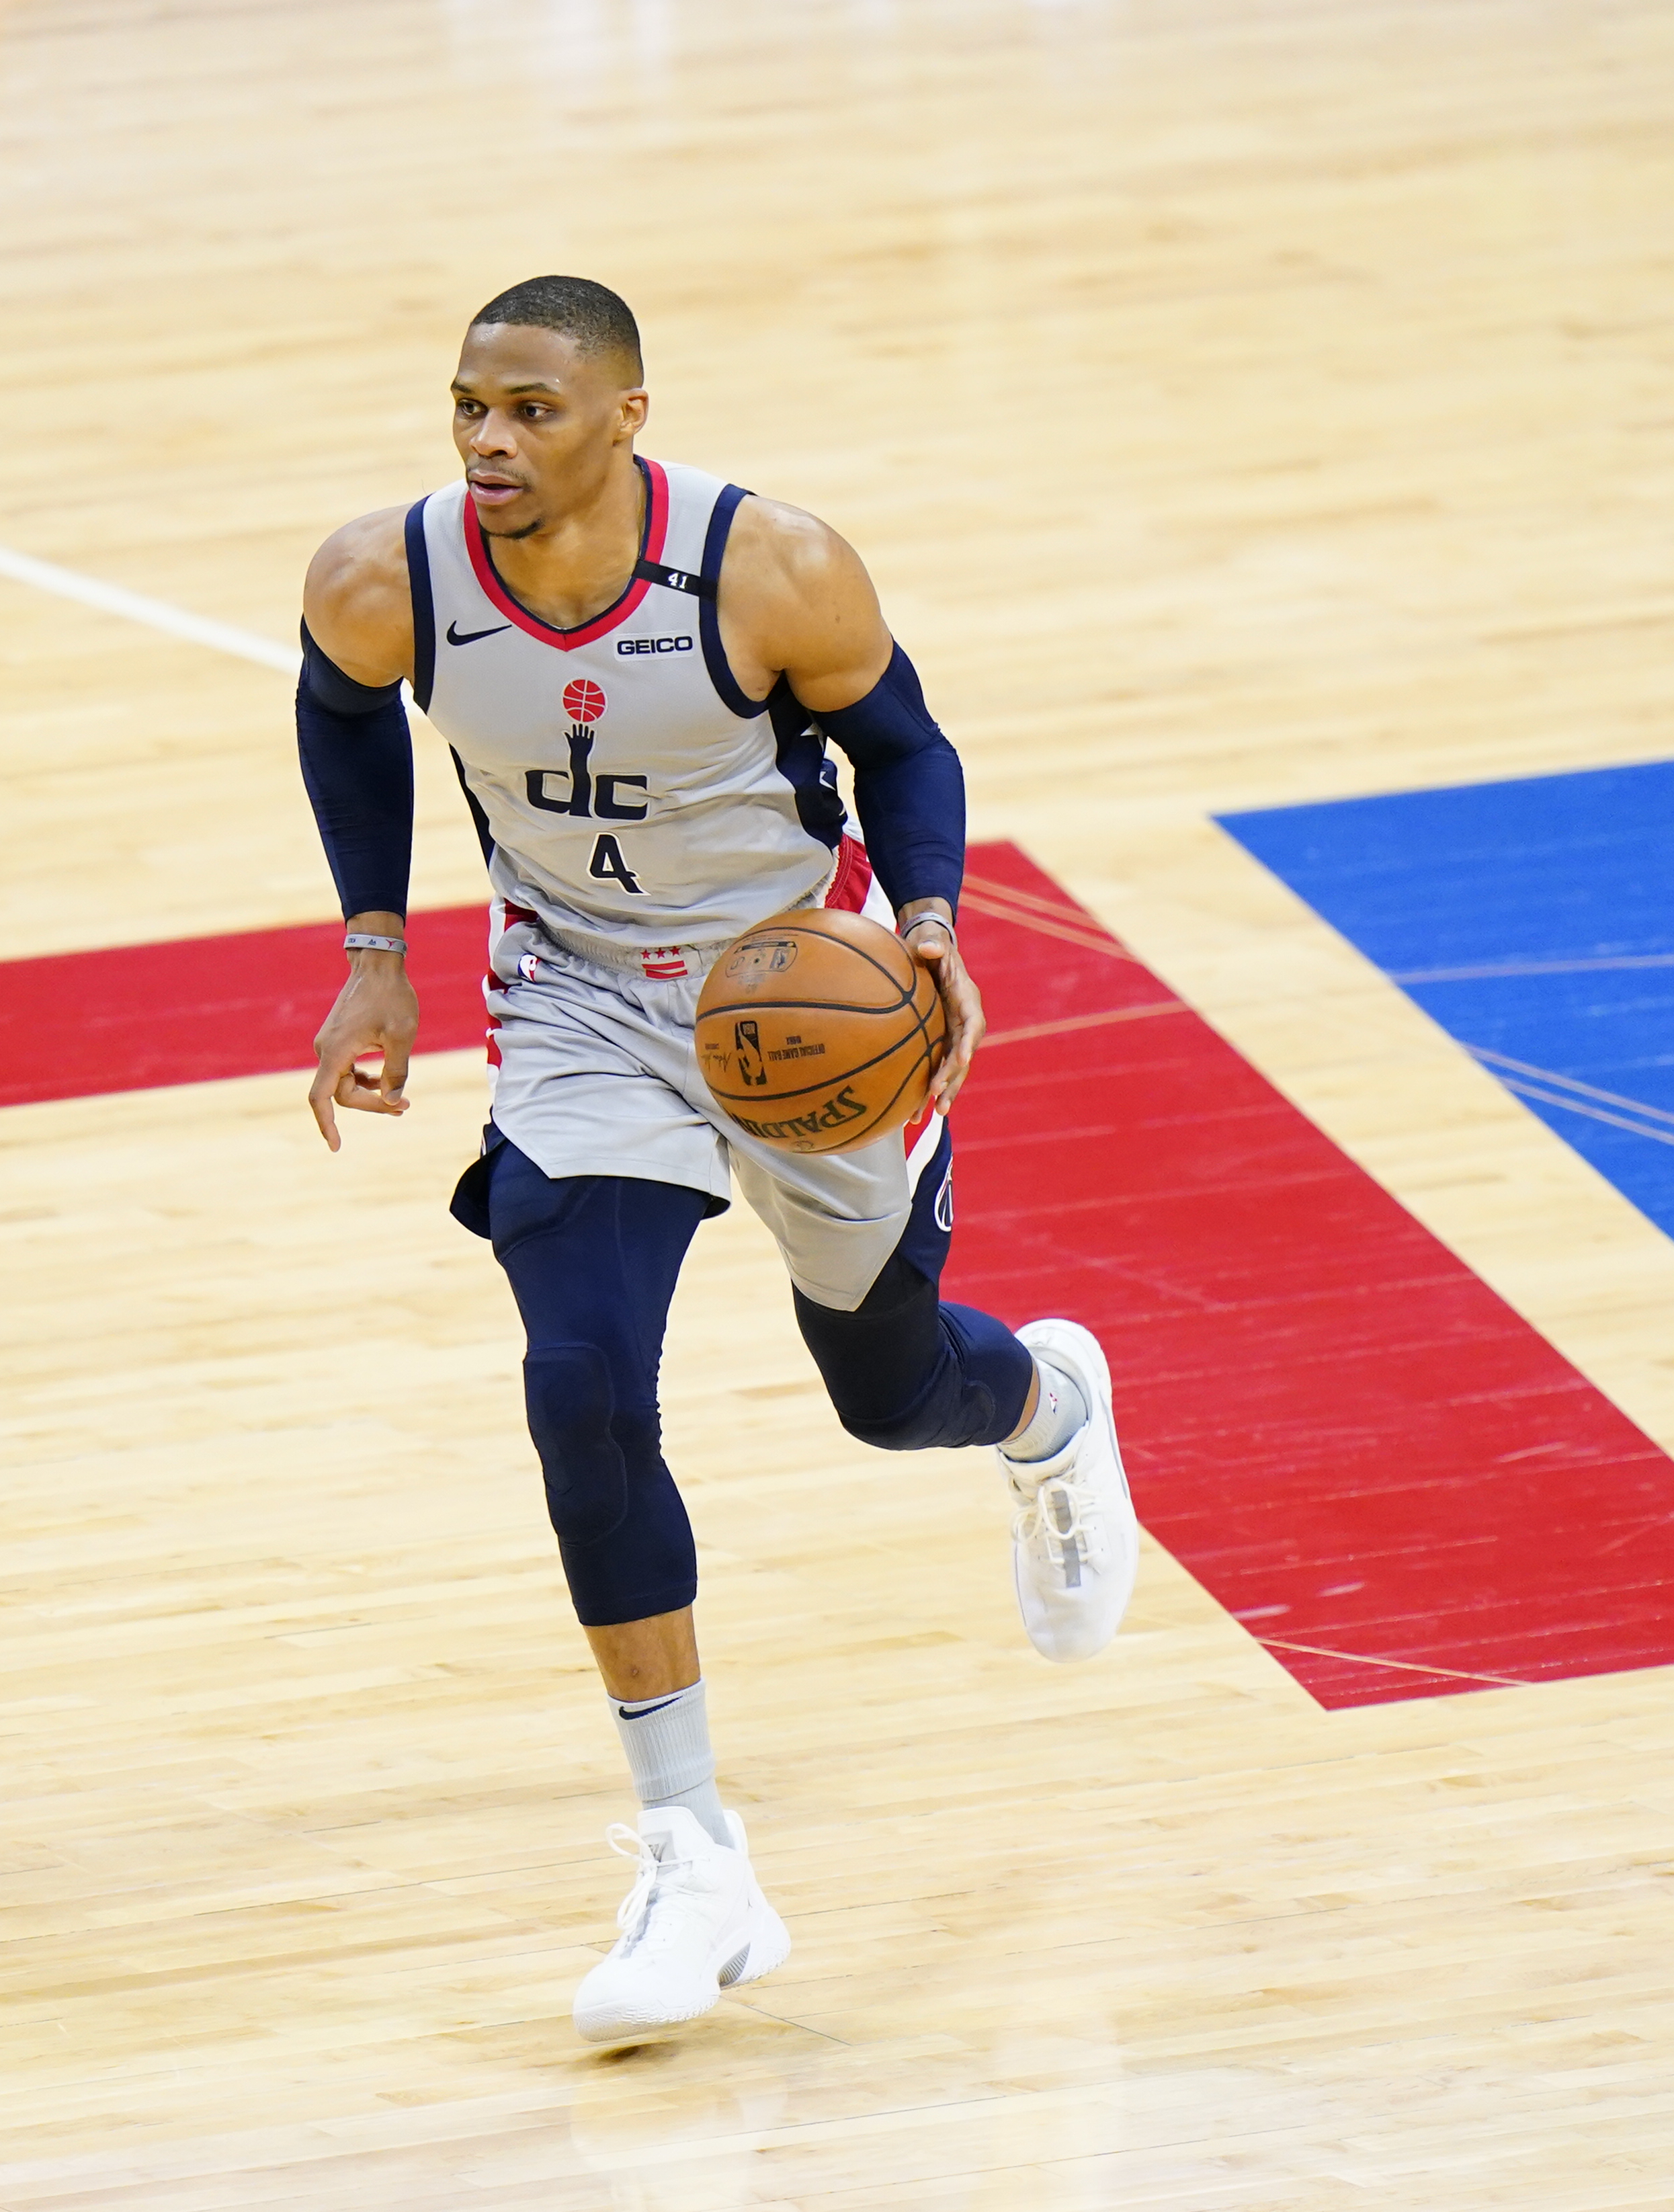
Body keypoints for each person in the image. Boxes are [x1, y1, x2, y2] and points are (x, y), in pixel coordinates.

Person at [292, 275, 1137, 2043]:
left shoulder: (769, 569)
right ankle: (693, 1850)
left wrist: (926, 924)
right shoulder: (392, 576)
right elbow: (341, 704)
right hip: (581, 1006)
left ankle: (1045, 1407)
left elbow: (905, 744)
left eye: (530, 408)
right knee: (582, 1381)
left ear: (627, 417)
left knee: (892, 1388)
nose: (488, 439)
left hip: (792, 995)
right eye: (468, 405)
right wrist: (376, 941)